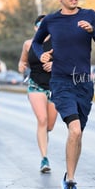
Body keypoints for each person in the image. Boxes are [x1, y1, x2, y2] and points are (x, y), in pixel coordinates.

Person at [32, 0, 95, 189]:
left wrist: (93, 31)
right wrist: (42, 55)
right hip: (61, 82)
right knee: (74, 131)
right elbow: (37, 43)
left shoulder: (90, 16)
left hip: (84, 83)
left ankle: (69, 175)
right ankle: (71, 183)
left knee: (78, 134)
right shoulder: (51, 20)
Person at [18, 15, 57, 173]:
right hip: (36, 86)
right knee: (42, 120)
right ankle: (44, 159)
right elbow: (23, 61)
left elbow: (68, 60)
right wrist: (21, 65)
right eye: (40, 24)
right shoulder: (29, 44)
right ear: (35, 28)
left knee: (49, 125)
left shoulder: (57, 41)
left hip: (55, 87)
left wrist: (55, 64)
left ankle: (43, 140)